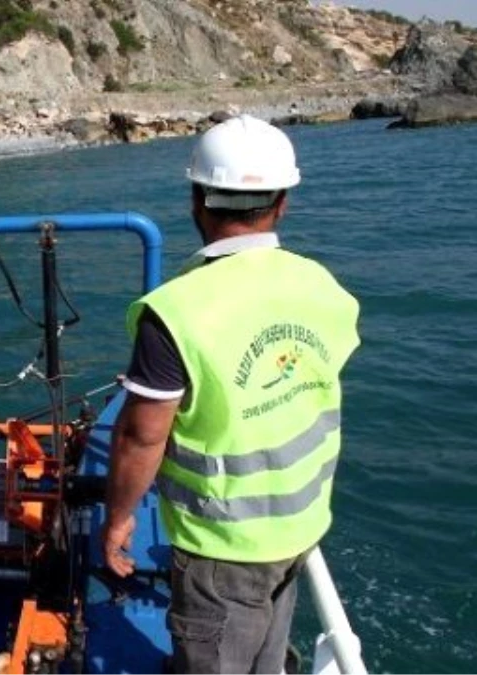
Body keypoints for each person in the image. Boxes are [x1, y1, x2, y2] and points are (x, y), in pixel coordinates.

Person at [100, 115, 361, 674]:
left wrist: (119, 519)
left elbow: (143, 434)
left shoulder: (176, 312)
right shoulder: (322, 285)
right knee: (267, 654)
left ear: (198, 200)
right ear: (283, 201)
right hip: (301, 525)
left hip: (222, 547)